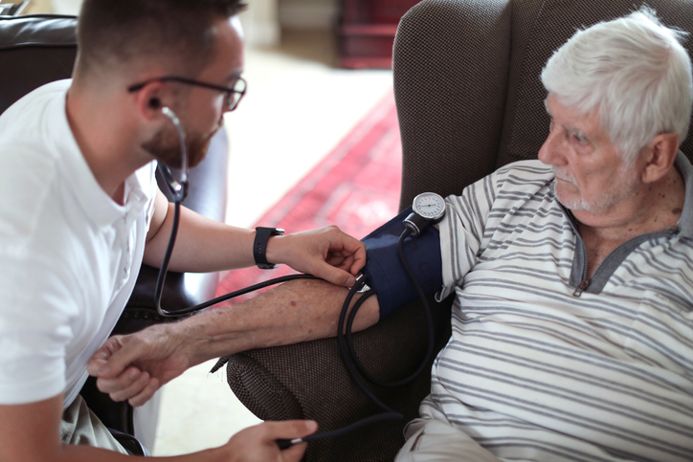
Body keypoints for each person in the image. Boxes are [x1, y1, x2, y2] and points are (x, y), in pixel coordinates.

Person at [88, 7, 693, 461]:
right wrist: (184, 341)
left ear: (654, 156)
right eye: (550, 122)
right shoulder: (517, 189)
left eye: (577, 138)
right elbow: (366, 282)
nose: (545, 151)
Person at [0, 1, 370, 461]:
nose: (229, 109)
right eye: (227, 89)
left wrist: (276, 246)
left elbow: (154, 225)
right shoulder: (28, 252)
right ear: (156, 101)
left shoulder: (83, 113)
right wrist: (224, 457)